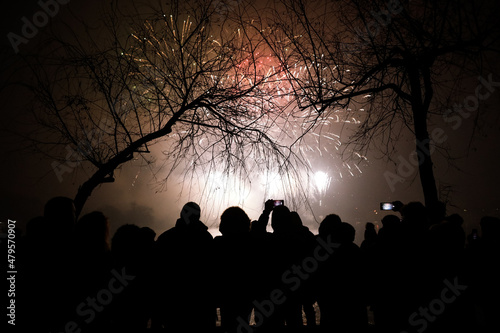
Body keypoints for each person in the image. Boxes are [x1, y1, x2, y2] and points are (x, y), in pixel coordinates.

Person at [152, 202, 215, 333]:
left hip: (173, 304)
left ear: (181, 214)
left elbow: (156, 274)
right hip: (201, 304)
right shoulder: (206, 239)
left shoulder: (165, 238)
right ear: (198, 217)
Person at [213, 206, 255, 332]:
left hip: (226, 293)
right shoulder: (251, 243)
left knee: (228, 323)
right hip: (246, 293)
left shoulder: (219, 244)